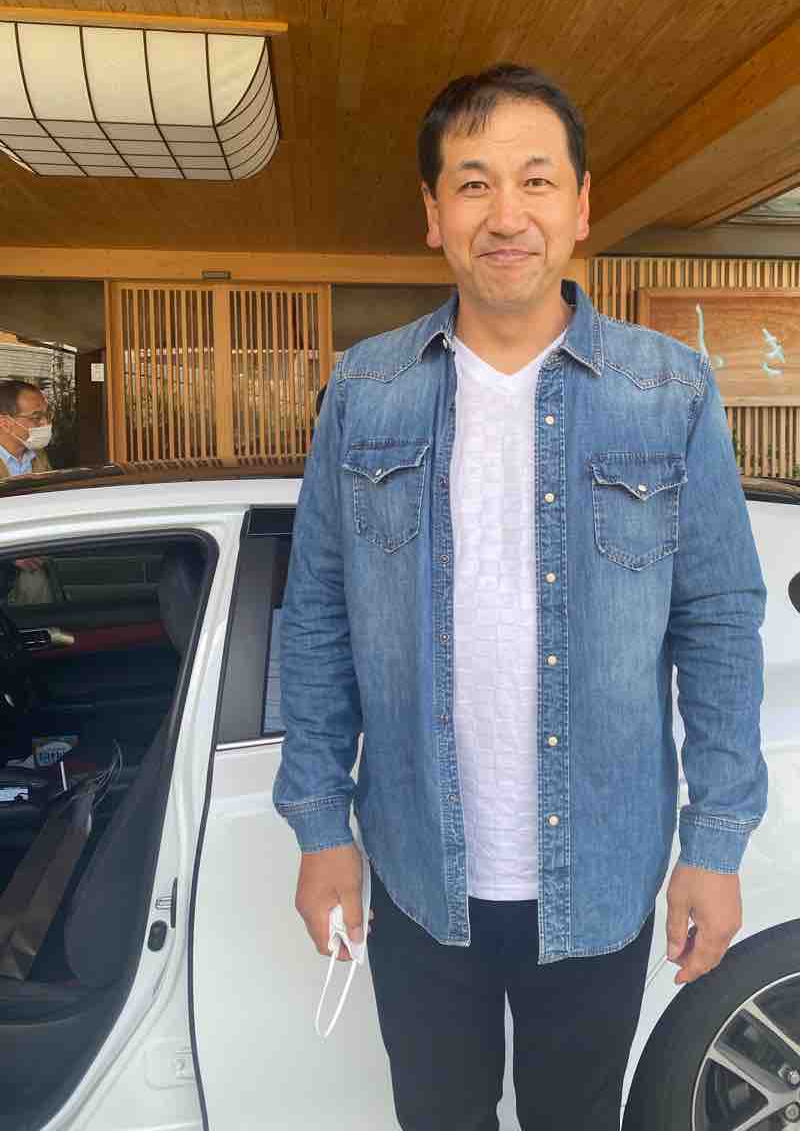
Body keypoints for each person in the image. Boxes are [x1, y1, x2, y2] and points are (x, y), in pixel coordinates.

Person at [275, 63, 767, 1130]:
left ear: (581, 206)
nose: (506, 215)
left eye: (536, 181)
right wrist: (320, 824)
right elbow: (315, 615)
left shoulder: (667, 389)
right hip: (417, 869)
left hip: (601, 868)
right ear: (432, 213)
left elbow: (720, 620)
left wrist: (714, 842)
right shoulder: (366, 389)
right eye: (473, 183)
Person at [0, 380, 57, 604]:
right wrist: (10, 552)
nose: (45, 423)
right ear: (5, 423)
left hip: (34, 566)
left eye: (46, 415)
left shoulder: (39, 457)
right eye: (36, 417)